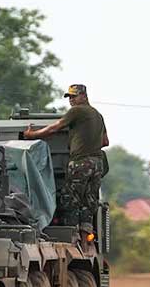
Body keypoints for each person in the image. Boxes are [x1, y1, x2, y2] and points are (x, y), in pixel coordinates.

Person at [23, 84, 108, 231]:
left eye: (74, 96)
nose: (71, 100)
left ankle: (71, 234)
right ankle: (85, 238)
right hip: (97, 164)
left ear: (84, 96)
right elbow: (105, 142)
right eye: (69, 97)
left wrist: (32, 135)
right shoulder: (97, 115)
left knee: (70, 200)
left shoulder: (77, 111)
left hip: (81, 163)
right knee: (88, 201)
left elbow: (55, 127)